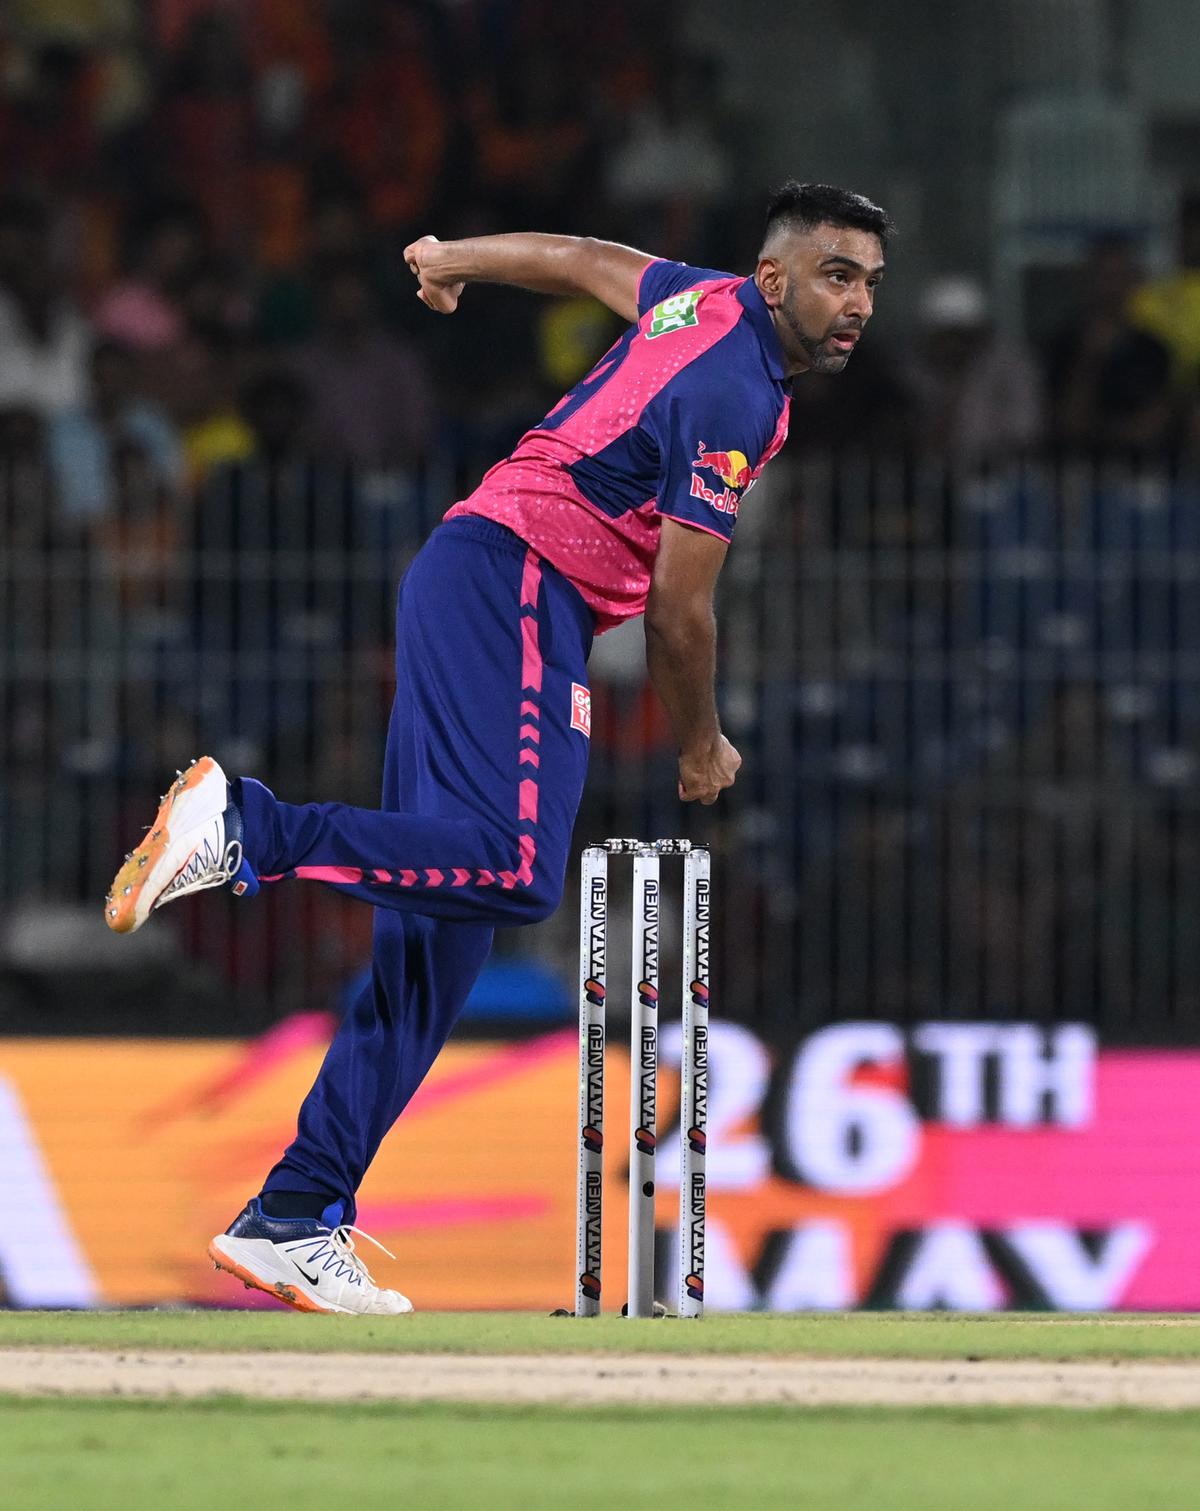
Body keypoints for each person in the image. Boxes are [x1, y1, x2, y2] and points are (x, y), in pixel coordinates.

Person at [104, 181, 892, 1315]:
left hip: (479, 571)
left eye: (867, 279)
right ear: (776, 280)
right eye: (836, 274)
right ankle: (246, 827)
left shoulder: (701, 302)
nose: (858, 299)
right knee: (513, 867)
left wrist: (454, 254)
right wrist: (703, 743)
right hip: (525, 584)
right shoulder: (737, 389)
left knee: (437, 949)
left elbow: (581, 257)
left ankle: (295, 1210)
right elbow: (680, 611)